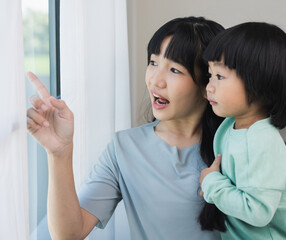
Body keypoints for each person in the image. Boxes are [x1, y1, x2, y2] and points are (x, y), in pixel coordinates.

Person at [26, 17, 227, 240]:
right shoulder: (124, 147)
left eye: (175, 70)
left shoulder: (237, 145)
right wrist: (59, 153)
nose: (155, 81)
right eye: (153, 63)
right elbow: (68, 233)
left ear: (209, 84)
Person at [199, 22, 286, 239]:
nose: (209, 86)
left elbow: (258, 212)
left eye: (219, 77)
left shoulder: (263, 141)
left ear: (260, 82)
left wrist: (211, 183)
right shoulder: (232, 125)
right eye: (210, 75)